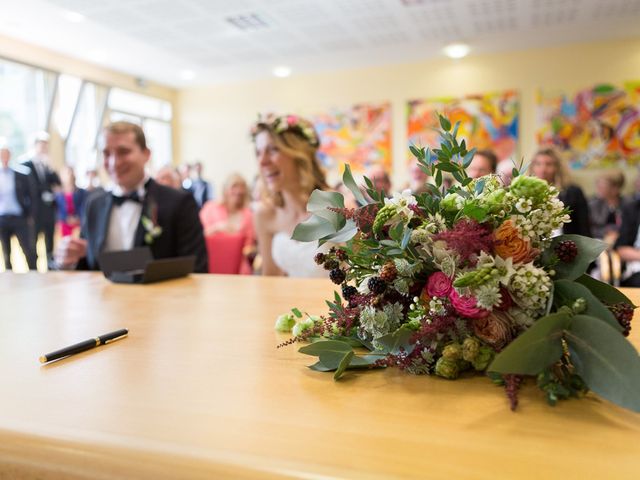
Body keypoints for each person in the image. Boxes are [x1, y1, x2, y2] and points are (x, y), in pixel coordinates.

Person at [55, 121, 208, 273]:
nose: (114, 163)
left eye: (123, 152)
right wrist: (69, 260)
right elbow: (88, 265)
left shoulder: (179, 203)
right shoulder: (93, 204)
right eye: (107, 154)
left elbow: (196, 269)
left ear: (146, 154)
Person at [252, 114, 330, 277]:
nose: (262, 161)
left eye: (273, 149)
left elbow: (359, 277)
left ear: (297, 153)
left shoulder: (337, 208)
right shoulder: (265, 214)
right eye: (258, 153)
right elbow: (270, 280)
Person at [200, 173, 255, 274]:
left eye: (242, 187)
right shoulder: (210, 208)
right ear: (225, 189)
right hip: (210, 261)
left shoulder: (249, 215)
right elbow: (198, 236)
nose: (239, 191)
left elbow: (249, 244)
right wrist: (217, 228)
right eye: (234, 186)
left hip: (240, 266)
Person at [529, 148, 591, 237]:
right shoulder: (526, 195)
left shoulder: (573, 192)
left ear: (557, 167)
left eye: (548, 164)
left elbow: (584, 227)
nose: (543, 169)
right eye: (538, 164)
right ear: (532, 167)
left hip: (566, 246)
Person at [23, 131, 60, 267]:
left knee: (49, 244)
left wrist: (51, 167)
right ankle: (34, 270)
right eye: (42, 145)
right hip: (34, 212)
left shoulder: (46, 166)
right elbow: (26, 189)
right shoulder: (26, 164)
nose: (44, 148)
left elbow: (57, 182)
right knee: (33, 244)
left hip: (48, 212)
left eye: (46, 145)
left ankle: (50, 268)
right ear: (35, 145)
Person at [0, 140, 37, 270]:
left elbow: (32, 196)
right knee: (6, 254)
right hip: (2, 218)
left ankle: (34, 275)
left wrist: (30, 215)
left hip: (19, 217)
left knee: (28, 251)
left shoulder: (21, 173)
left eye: (6, 153)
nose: (4, 156)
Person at [589, 170, 625, 243]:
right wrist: (606, 232)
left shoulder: (628, 205)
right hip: (598, 243)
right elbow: (589, 228)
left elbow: (631, 228)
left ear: (615, 189)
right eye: (598, 184)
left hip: (621, 243)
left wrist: (617, 233)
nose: (598, 188)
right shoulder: (593, 205)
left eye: (603, 185)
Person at [55, 166, 87, 238]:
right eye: (66, 173)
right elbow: (57, 211)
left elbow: (84, 207)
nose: (69, 175)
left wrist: (77, 218)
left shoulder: (82, 192)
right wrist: (65, 219)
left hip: (78, 223)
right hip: (64, 224)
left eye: (70, 172)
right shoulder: (58, 195)